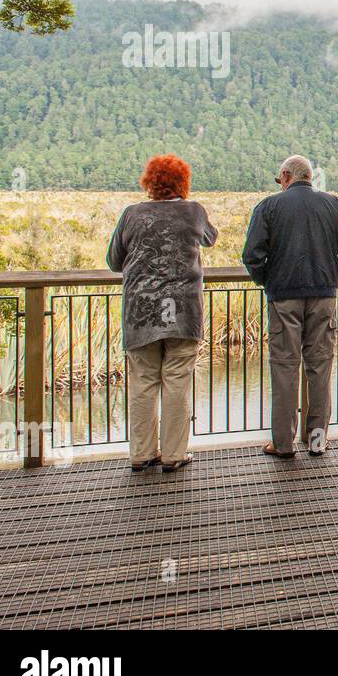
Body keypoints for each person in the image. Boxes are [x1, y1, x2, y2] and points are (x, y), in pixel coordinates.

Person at [242, 155, 338, 458]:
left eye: (279, 179)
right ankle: (318, 440)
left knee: (285, 369)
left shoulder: (268, 207)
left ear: (286, 176)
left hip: (283, 298)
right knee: (319, 367)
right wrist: (332, 277)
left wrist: (269, 280)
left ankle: (282, 444)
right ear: (309, 176)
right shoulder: (335, 205)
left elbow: (252, 256)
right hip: (323, 296)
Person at [107, 155, 217, 473]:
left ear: (149, 183)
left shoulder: (131, 215)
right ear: (182, 183)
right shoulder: (193, 211)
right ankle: (173, 454)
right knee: (177, 381)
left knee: (142, 382)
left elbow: (115, 260)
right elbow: (211, 237)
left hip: (140, 312)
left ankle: (141, 453)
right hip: (183, 312)